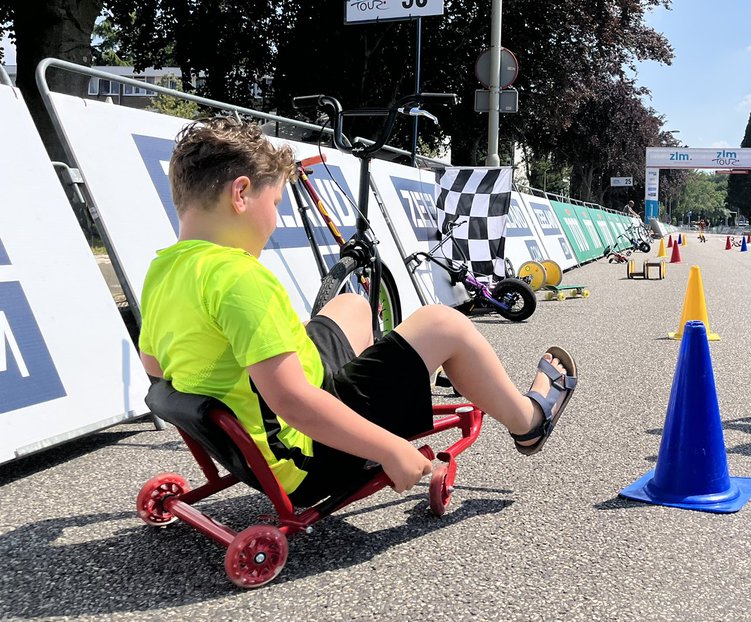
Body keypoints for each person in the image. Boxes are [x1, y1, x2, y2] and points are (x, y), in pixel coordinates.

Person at [138, 116, 577, 505]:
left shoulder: (163, 271)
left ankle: (389, 387)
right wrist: (390, 449)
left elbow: (158, 369)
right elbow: (291, 401)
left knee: (352, 304)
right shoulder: (239, 278)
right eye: (275, 204)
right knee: (443, 323)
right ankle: (528, 421)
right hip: (306, 456)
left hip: (256, 440)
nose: (273, 220)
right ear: (241, 194)